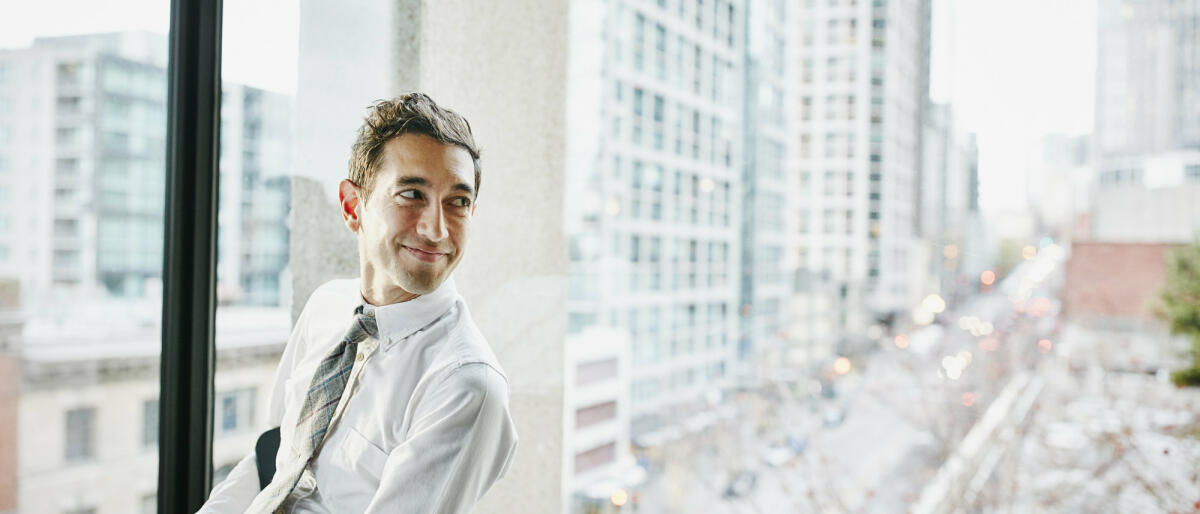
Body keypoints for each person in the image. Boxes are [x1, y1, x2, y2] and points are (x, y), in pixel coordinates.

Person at [198, 93, 518, 513]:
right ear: (353, 206)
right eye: (411, 194)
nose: (436, 229)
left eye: (457, 202)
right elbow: (273, 465)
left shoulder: (464, 385)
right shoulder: (326, 307)